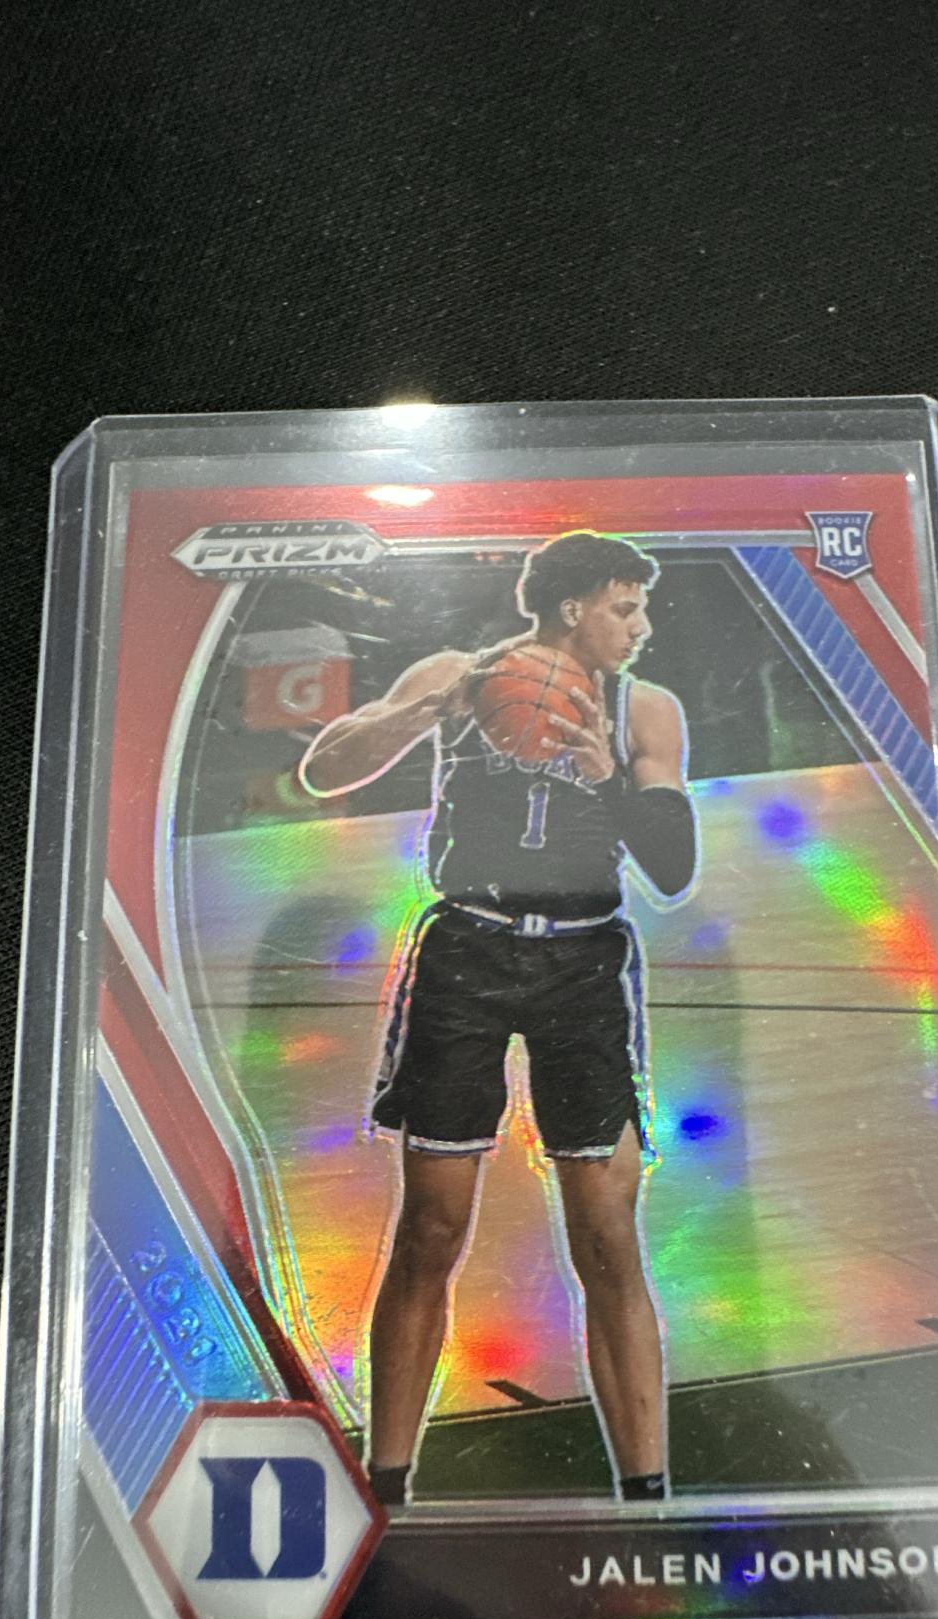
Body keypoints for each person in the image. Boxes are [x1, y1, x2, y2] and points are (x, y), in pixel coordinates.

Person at [298, 531, 698, 1505]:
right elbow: (323, 769)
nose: (640, 626)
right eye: (624, 607)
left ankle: (647, 1494)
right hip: (467, 951)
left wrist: (608, 777)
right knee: (432, 1227)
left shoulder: (643, 709)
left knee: (606, 1234)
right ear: (571, 608)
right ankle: (389, 1485)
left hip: (583, 962)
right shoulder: (459, 673)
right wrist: (421, 713)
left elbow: (674, 867)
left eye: (641, 607)